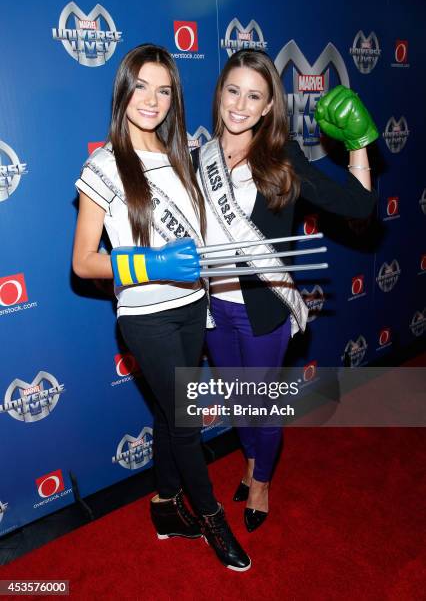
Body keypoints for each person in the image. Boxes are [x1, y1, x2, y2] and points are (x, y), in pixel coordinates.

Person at [72, 44, 251, 572]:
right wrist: (152, 262)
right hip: (145, 315)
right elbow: (83, 263)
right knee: (187, 417)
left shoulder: (182, 155)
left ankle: (165, 503)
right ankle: (212, 516)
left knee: (171, 413)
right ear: (123, 90)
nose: (152, 99)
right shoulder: (103, 167)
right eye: (142, 86)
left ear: (174, 98)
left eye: (164, 89)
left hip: (194, 304)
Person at [192, 49, 378, 532]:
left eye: (254, 95)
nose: (240, 104)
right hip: (212, 309)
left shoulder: (283, 157)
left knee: (263, 406)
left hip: (265, 309)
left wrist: (359, 141)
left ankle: (262, 483)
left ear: (269, 106)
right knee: (237, 401)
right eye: (233, 91)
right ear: (219, 94)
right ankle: (251, 461)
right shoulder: (196, 158)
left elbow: (357, 204)